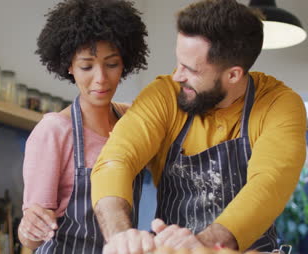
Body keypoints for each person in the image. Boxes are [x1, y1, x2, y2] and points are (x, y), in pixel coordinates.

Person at [91, 0, 307, 253]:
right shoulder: (165, 94)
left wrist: (203, 246)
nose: (177, 76)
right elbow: (116, 160)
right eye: (178, 62)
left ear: (233, 75)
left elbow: (268, 185)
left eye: (191, 69)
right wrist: (120, 236)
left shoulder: (279, 104)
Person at [17, 0, 150, 253]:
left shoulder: (131, 121)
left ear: (125, 63)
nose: (100, 78)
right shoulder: (54, 131)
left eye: (111, 64)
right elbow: (31, 240)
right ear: (69, 66)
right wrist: (30, 226)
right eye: (87, 66)